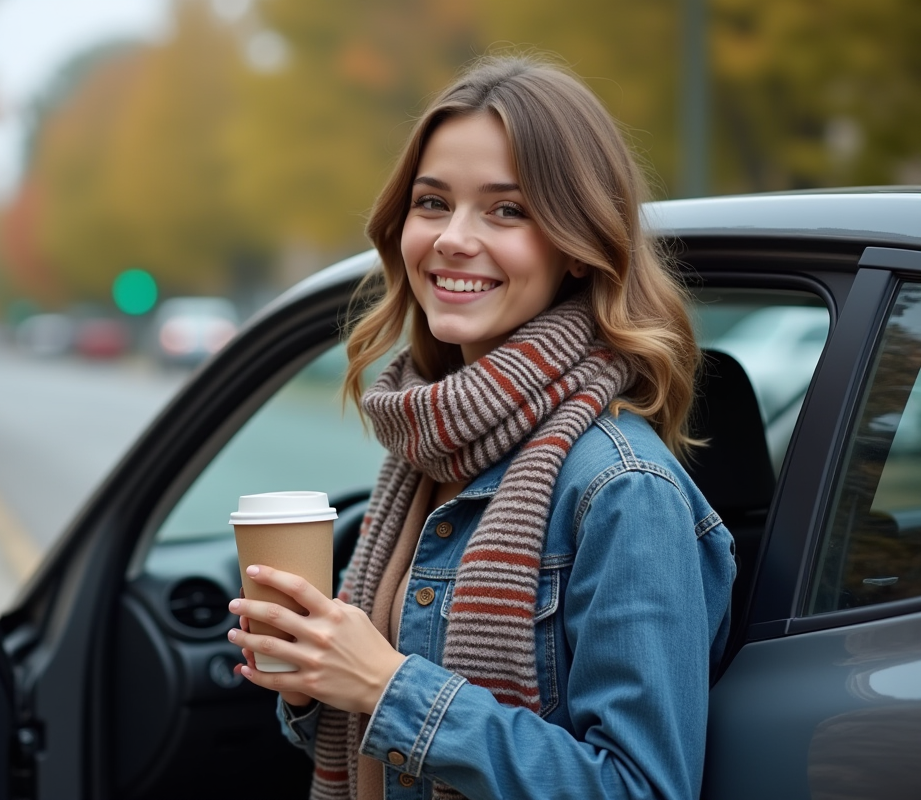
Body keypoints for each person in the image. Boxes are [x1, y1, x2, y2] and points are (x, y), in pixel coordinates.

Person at [227, 55, 736, 800]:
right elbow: (387, 751)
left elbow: (643, 788)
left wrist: (387, 686)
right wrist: (315, 684)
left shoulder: (623, 489)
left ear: (574, 244)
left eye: (507, 210)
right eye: (432, 203)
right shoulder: (431, 450)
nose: (453, 239)